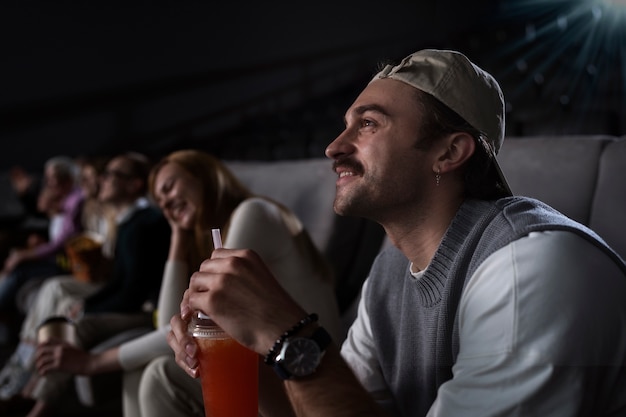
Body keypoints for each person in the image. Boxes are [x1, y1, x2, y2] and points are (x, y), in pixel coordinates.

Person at [164, 49, 626, 416]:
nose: (334, 147)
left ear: (448, 153)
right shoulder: (387, 274)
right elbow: (337, 408)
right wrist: (250, 347)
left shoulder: (530, 269)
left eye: (368, 124)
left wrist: (289, 334)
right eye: (345, 125)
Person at [31, 149, 340, 417]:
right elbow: (170, 326)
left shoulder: (253, 213)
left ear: (203, 177)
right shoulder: (213, 239)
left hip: (309, 369)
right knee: (141, 370)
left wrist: (93, 362)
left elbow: (177, 328)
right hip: (270, 366)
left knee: (160, 374)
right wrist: (177, 236)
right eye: (159, 200)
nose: (165, 201)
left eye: (169, 187)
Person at [0, 152, 171, 416]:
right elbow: (119, 282)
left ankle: (41, 405)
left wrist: (87, 309)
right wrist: (87, 302)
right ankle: (29, 385)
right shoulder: (128, 223)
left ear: (134, 185)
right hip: (133, 300)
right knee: (62, 302)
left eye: (111, 175)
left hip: (150, 310)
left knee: (76, 325)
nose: (103, 180)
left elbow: (132, 293)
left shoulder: (146, 223)